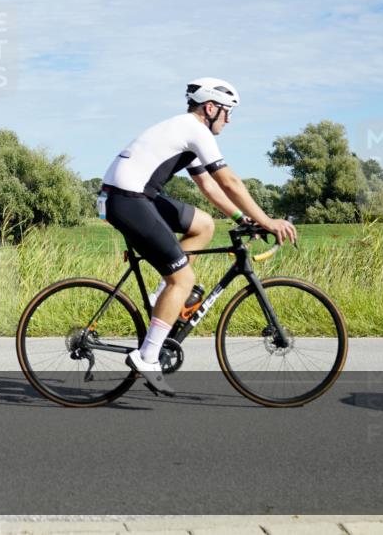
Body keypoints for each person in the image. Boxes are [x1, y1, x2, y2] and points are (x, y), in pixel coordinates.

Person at [100, 78, 297, 396]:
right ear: (210, 108)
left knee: (203, 225)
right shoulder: (195, 130)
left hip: (132, 196)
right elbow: (230, 181)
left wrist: (242, 218)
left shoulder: (185, 133)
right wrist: (267, 221)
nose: (229, 120)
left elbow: (209, 187)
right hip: (127, 199)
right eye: (227, 112)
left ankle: (160, 296)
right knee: (184, 279)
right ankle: (148, 357)